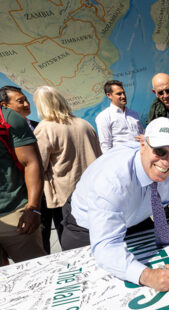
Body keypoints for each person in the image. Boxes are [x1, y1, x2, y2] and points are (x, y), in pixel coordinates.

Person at [61, 117, 169, 292]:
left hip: (135, 217)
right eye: (159, 151)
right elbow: (106, 247)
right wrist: (148, 276)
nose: (166, 162)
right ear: (143, 146)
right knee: (96, 285)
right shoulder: (112, 181)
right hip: (85, 226)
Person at [32, 86, 102, 253]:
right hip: (93, 192)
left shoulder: (44, 128)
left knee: (71, 245)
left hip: (65, 197)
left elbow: (38, 166)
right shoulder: (84, 124)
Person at [0, 97, 46, 266]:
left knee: (37, 275)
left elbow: (32, 162)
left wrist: (33, 209)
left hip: (14, 216)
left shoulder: (5, 117)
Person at [95, 80, 144, 153]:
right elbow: (105, 146)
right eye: (119, 94)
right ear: (109, 95)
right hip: (121, 158)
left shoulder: (134, 114)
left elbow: (142, 134)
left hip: (140, 156)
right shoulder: (104, 117)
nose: (123, 96)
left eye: (123, 93)